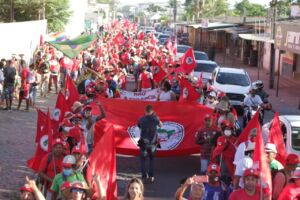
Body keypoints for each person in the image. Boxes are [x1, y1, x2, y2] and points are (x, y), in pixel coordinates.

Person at [137, 105, 162, 182]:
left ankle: (144, 177)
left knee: (143, 160)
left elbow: (139, 127)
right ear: (152, 111)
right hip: (152, 143)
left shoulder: (141, 119)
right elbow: (161, 125)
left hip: (143, 143)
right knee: (152, 160)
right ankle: (151, 177)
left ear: (145, 111)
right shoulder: (155, 118)